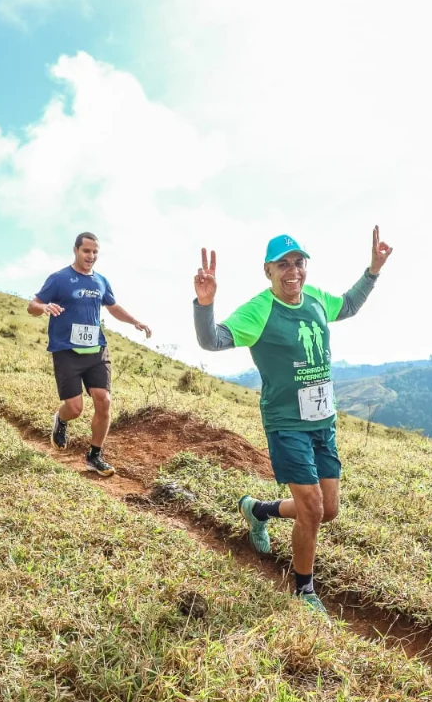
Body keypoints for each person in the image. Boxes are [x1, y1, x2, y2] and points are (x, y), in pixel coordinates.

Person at [193, 227, 393, 613]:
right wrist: (205, 304)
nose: (292, 271)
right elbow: (212, 340)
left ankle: (258, 510)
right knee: (313, 508)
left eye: (299, 262)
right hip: (286, 422)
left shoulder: (316, 298)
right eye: (283, 264)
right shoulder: (259, 309)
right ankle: (304, 591)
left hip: (323, 420)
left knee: (328, 510)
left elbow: (348, 306)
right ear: (268, 270)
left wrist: (373, 271)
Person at [28, 232, 152, 477]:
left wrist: (134, 321)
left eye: (95, 252)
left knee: (104, 400)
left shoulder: (101, 281)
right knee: (74, 409)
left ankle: (94, 456)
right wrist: (44, 307)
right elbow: (32, 305)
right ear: (75, 250)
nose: (91, 256)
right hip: (66, 350)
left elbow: (113, 306)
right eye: (86, 251)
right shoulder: (59, 278)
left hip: (97, 349)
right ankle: (61, 420)